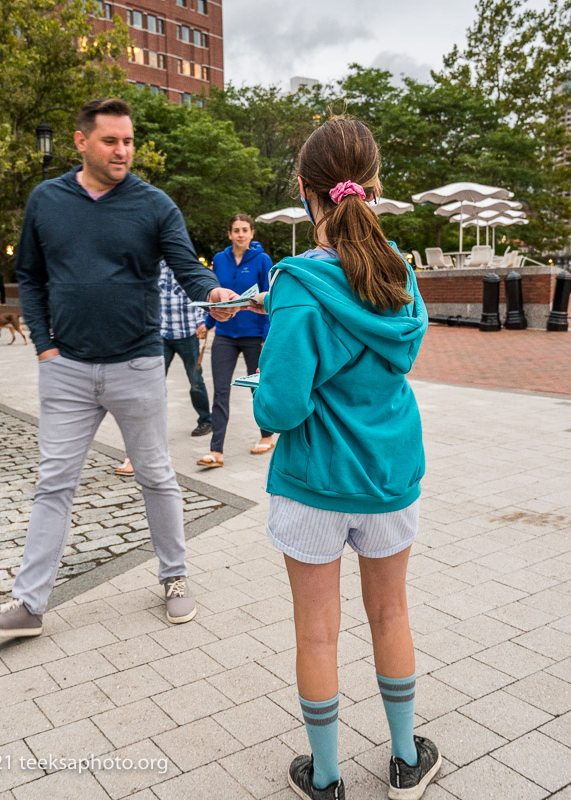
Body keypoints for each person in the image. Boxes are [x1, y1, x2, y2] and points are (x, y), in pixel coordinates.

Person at [0, 98, 237, 638]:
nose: (123, 151)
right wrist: (44, 345)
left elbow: (187, 268)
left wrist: (214, 293)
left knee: (157, 476)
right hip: (66, 369)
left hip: (137, 363)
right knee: (53, 484)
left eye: (129, 141)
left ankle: (175, 576)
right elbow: (31, 275)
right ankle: (28, 605)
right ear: (81, 141)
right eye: (111, 141)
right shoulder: (47, 200)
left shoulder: (154, 204)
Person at [249, 117, 440, 800]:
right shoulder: (402, 276)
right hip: (389, 476)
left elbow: (280, 408)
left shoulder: (297, 284)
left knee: (317, 635)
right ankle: (404, 761)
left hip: (312, 485)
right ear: (373, 187)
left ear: (307, 193)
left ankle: (326, 776)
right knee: (392, 615)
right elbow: (402, 358)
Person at [114, 260, 214, 476]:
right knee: (153, 385)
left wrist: (202, 322)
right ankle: (148, 438)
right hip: (161, 334)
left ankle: (206, 420)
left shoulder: (184, 266)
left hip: (188, 333)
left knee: (195, 381)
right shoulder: (153, 266)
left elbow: (198, 295)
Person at [196, 215, 274, 469]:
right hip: (226, 334)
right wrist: (207, 325)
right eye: (236, 231)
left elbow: (270, 300)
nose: (240, 234)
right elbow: (216, 297)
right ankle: (216, 451)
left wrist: (267, 337)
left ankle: (266, 435)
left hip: (255, 335)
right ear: (229, 234)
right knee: (221, 390)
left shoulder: (262, 260)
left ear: (252, 233)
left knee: (256, 387)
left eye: (245, 230)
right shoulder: (219, 260)